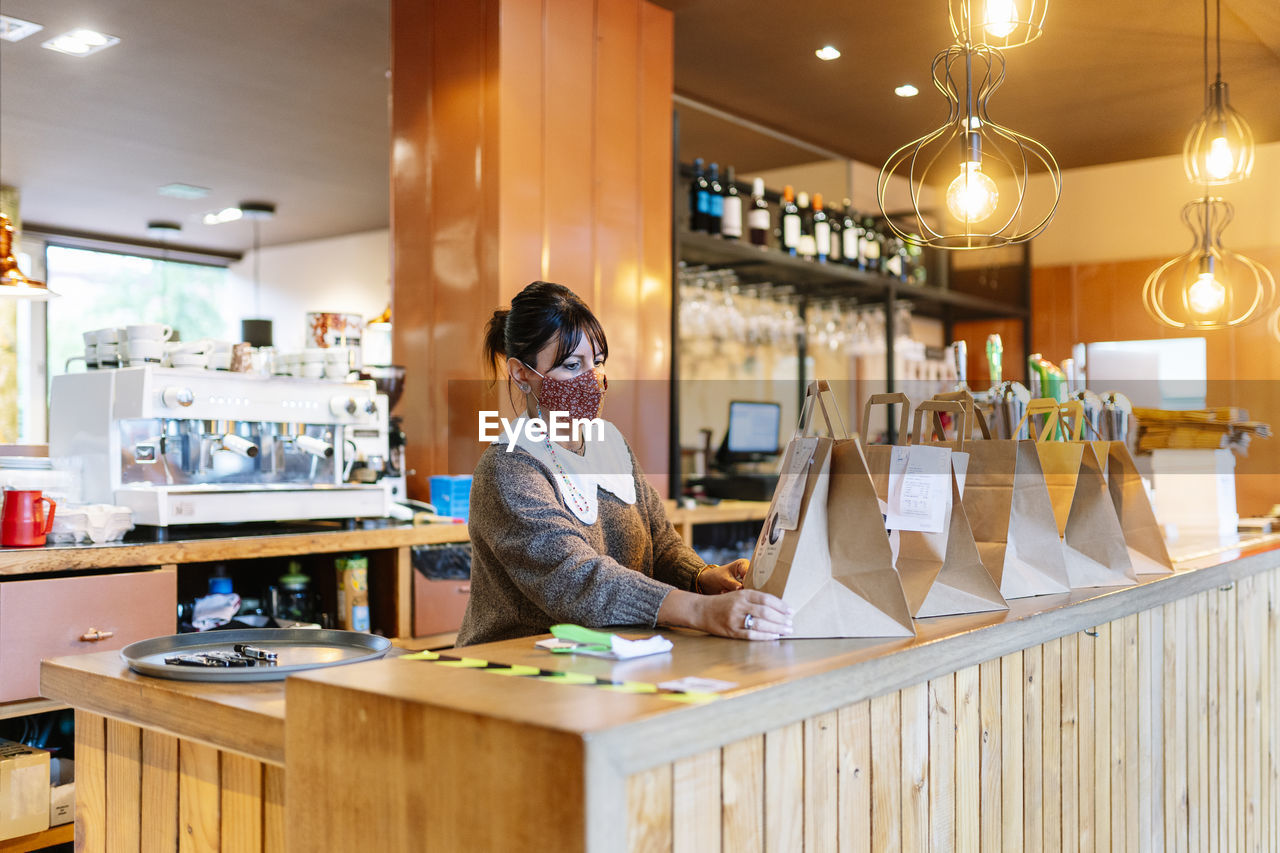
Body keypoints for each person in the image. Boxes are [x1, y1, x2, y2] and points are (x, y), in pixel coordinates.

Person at [456, 281, 793, 646]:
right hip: (518, 669)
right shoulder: (509, 468)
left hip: (615, 657)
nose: (592, 379)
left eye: (597, 363)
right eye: (572, 365)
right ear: (521, 373)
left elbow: (660, 543)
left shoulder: (610, 443)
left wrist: (704, 577)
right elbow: (577, 580)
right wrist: (700, 611)